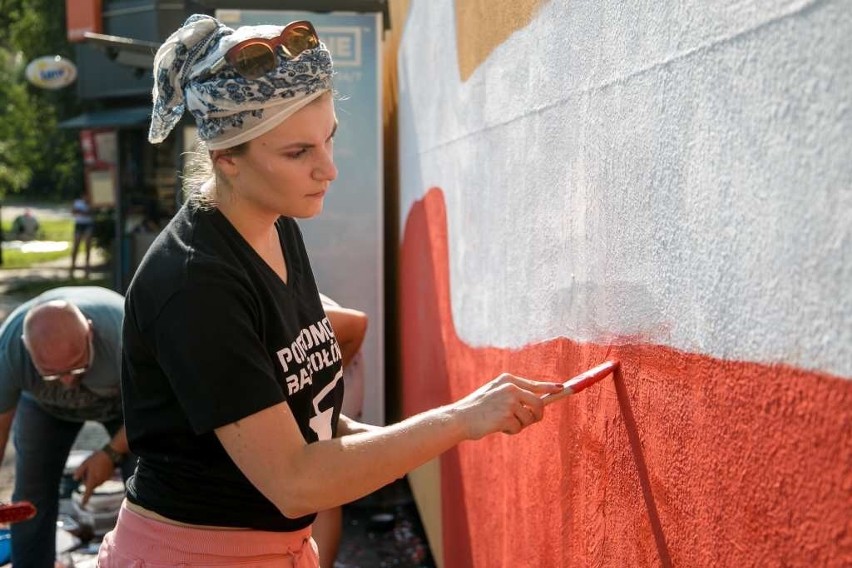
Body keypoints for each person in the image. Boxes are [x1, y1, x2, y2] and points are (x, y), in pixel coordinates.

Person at [97, 15, 563, 567]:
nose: (329, 169)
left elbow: (306, 419)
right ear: (226, 157)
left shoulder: (276, 224)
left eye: (329, 139)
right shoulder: (196, 283)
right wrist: (457, 420)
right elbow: (294, 480)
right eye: (298, 153)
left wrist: (449, 428)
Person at [0, 286, 135, 567]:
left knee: (147, 482)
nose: (67, 382)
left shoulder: (127, 334)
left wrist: (110, 453)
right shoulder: (9, 350)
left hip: (126, 408)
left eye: (76, 368)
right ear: (27, 347)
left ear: (89, 331)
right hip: (45, 409)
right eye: (51, 374)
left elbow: (156, 412)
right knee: (30, 495)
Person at [314, 295, 369, 567]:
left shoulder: (289, 311)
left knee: (320, 481)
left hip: (340, 371)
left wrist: (317, 390)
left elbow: (357, 324)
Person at [70, 193, 94, 278]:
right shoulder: (77, 202)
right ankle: (72, 266)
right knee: (76, 245)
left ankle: (87, 267)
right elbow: (73, 212)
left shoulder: (92, 201)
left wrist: (81, 212)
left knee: (87, 246)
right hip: (79, 225)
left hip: (88, 225)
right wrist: (83, 212)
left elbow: (90, 213)